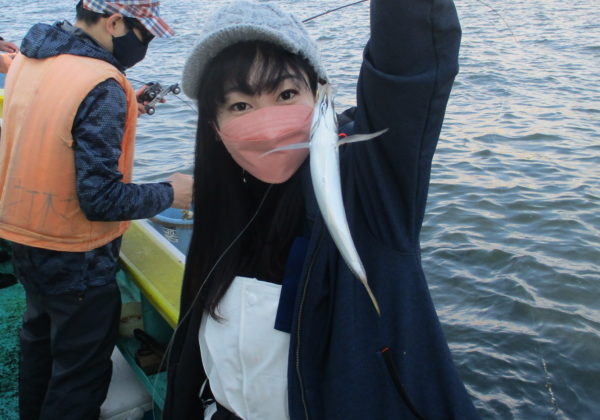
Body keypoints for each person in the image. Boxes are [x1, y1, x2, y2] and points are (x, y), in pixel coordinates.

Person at [164, 0, 479, 419]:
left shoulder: (368, 186)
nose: (269, 124)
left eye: (286, 94)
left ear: (317, 94)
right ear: (214, 127)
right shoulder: (223, 211)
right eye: (240, 105)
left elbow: (409, 66)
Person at [0, 1, 193, 419]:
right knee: (79, 376)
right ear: (115, 22)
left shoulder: (33, 55)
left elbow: (56, 118)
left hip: (25, 237)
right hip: (76, 257)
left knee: (39, 348)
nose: (145, 45)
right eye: (144, 35)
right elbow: (101, 199)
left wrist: (123, 105)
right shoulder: (101, 85)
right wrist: (171, 192)